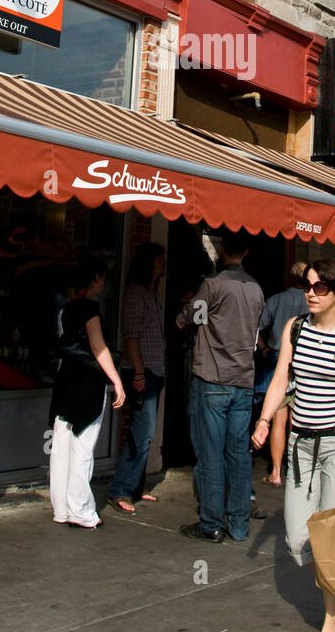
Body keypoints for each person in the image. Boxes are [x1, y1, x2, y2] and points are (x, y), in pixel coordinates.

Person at [252, 258, 335, 632]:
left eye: (321, 287)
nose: (311, 292)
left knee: (331, 543)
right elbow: (281, 378)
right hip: (301, 447)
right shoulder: (295, 328)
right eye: (309, 285)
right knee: (297, 540)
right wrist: (266, 419)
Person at [176, 228, 264, 542]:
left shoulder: (212, 285)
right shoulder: (255, 289)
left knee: (211, 454)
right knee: (239, 454)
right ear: (248, 252)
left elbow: (186, 319)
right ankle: (239, 524)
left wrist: (188, 305)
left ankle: (211, 523)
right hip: (243, 381)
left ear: (222, 249)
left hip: (212, 379)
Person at [48, 257, 125, 529]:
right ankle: (80, 510)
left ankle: (61, 508)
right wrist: (116, 379)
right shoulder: (90, 308)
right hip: (87, 383)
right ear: (93, 279)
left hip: (66, 380)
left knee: (61, 446)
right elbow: (98, 346)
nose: (103, 283)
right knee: (82, 448)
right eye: (101, 278)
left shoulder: (67, 308)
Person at [108, 243, 167, 512]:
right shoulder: (135, 292)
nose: (163, 264)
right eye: (159, 260)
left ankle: (135, 485)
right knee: (141, 433)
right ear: (148, 263)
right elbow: (130, 335)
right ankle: (121, 490)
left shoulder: (151, 292)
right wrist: (140, 371)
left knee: (146, 433)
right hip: (142, 372)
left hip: (154, 370)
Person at [254, 261, 308, 485]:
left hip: (277, 359)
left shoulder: (276, 300)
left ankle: (276, 472)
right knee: (300, 418)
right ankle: (297, 471)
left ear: (290, 278)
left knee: (279, 416)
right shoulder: (310, 301)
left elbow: (255, 326)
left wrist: (264, 347)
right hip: (304, 361)